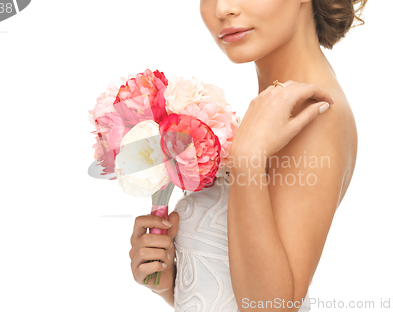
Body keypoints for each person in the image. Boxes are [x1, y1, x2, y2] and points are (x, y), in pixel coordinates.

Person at [129, 0, 367, 310]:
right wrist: (172, 283)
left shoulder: (314, 114)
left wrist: (246, 159)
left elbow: (272, 307)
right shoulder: (274, 110)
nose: (223, 8)